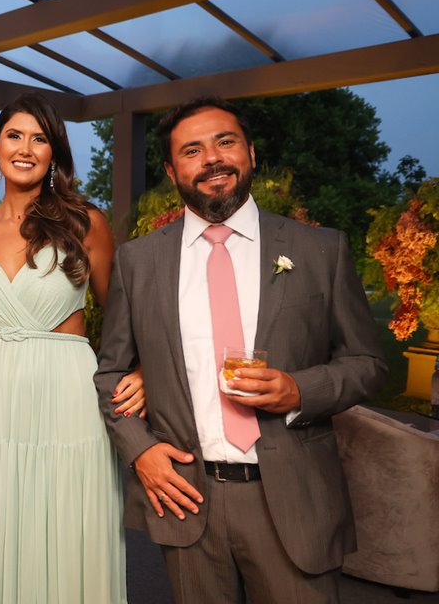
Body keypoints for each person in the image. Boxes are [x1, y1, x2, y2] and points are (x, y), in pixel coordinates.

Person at [94, 96, 388, 603]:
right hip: (186, 497)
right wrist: (140, 451)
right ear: (171, 169)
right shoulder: (137, 263)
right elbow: (111, 374)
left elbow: (369, 364)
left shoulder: (320, 251)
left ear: (250, 152)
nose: (211, 158)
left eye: (224, 142)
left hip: (293, 499)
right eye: (192, 149)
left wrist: (300, 389)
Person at [0, 93, 145, 603]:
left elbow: (124, 318)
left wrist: (142, 370)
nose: (25, 148)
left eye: (40, 138)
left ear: (54, 153)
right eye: (15, 135)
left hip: (69, 400)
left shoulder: (84, 224)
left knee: (70, 532)